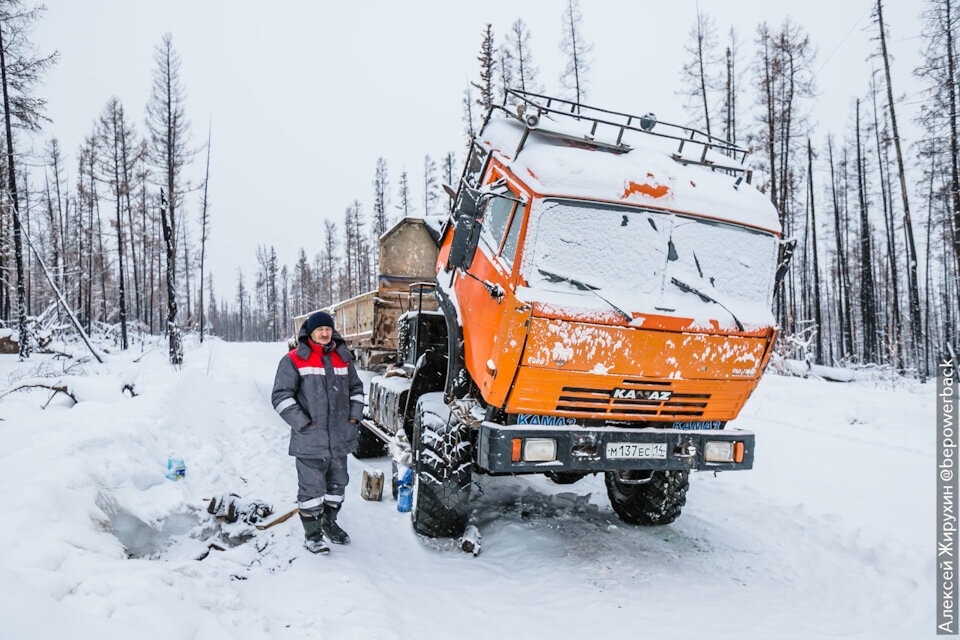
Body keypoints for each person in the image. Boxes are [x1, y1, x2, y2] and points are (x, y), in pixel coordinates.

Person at [271, 311, 365, 554]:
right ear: (310, 332)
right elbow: (281, 396)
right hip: (310, 439)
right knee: (311, 489)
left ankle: (329, 524)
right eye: (319, 329)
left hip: (339, 439)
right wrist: (302, 423)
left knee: (337, 485)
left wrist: (354, 417)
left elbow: (356, 389)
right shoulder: (294, 359)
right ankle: (313, 535)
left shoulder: (343, 358)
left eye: (328, 329)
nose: (325, 333)